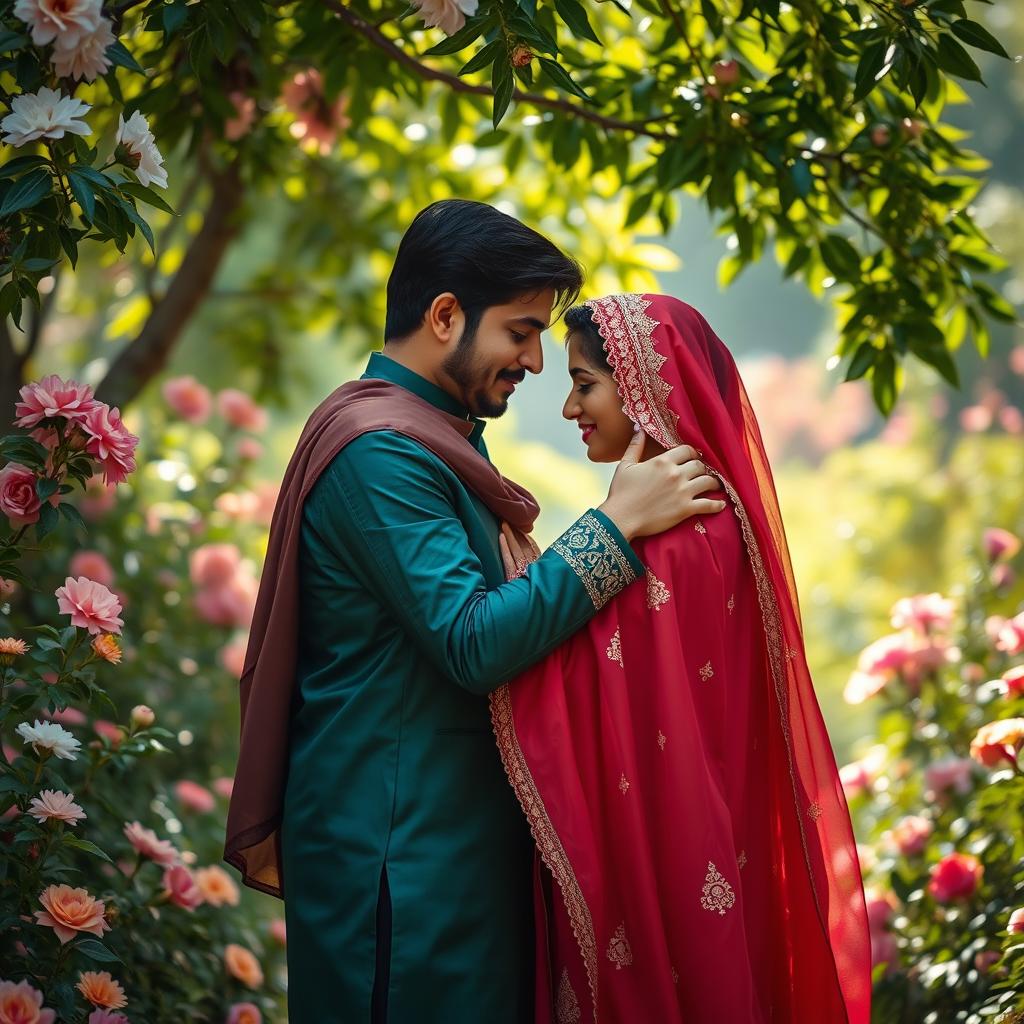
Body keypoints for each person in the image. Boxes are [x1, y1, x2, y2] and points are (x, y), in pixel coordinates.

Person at [223, 204, 725, 1022]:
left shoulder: (434, 435)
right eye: (521, 332)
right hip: (399, 862)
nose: (533, 361)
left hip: (447, 849)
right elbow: (473, 638)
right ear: (445, 314)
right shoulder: (379, 451)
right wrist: (614, 527)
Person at [492, 294, 871, 1023]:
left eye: (585, 383)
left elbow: (575, 683)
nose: (571, 408)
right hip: (714, 844)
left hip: (665, 865)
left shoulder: (671, 539)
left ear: (638, 388)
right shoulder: (722, 518)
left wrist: (524, 585)